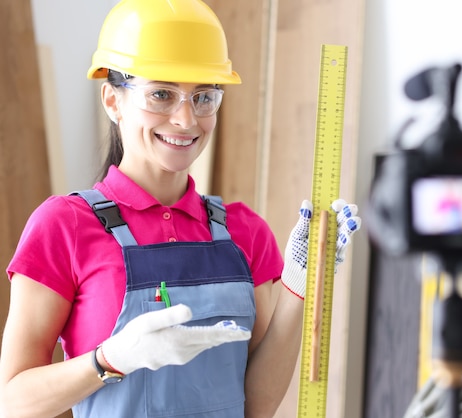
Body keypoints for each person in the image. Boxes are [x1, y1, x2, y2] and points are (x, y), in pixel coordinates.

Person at [0, 0, 361, 417]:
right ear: (112, 100)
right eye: (161, 94)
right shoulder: (65, 226)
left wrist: (300, 285)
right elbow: (12, 403)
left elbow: (256, 406)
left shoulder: (244, 232)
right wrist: (109, 360)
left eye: (204, 96)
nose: (187, 120)